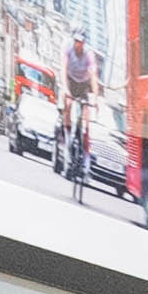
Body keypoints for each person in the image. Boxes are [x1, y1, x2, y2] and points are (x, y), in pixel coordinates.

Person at [61, 33, 98, 190]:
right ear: (73, 41)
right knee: (68, 105)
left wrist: (95, 98)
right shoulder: (67, 48)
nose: (78, 45)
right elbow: (63, 70)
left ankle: (86, 165)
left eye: (81, 42)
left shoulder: (89, 54)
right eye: (76, 41)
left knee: (86, 123)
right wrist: (65, 89)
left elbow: (93, 76)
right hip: (70, 82)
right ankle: (68, 138)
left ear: (84, 43)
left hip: (83, 85)